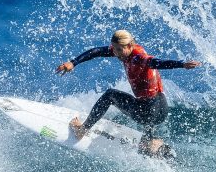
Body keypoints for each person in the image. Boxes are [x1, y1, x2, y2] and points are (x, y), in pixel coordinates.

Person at [55, 29, 201, 157]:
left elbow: (157, 62)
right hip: (161, 109)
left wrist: (181, 64)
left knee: (110, 95)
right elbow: (97, 51)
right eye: (114, 48)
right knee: (145, 101)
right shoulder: (125, 52)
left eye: (119, 49)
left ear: (130, 45)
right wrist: (73, 62)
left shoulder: (139, 58)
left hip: (149, 112)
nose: (116, 53)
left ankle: (83, 129)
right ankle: (151, 142)